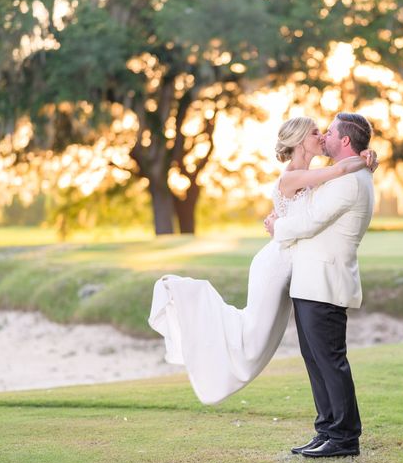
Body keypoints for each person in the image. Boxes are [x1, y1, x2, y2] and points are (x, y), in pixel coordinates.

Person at [148, 116, 377, 405]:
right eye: (316, 132)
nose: (322, 136)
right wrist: (365, 159)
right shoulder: (294, 176)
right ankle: (187, 297)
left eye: (326, 131)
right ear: (299, 141)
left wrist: (366, 157)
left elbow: (332, 185)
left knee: (271, 340)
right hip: (275, 264)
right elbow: (342, 170)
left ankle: (333, 429)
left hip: (296, 269)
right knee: (253, 337)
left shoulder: (315, 174)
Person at [265, 112, 375, 458]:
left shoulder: (349, 181)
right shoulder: (342, 176)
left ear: (344, 141)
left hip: (325, 281)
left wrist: (276, 227)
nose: (324, 136)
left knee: (330, 360)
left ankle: (344, 438)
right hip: (310, 280)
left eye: (329, 132)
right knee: (315, 360)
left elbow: (310, 222)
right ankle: (326, 429)